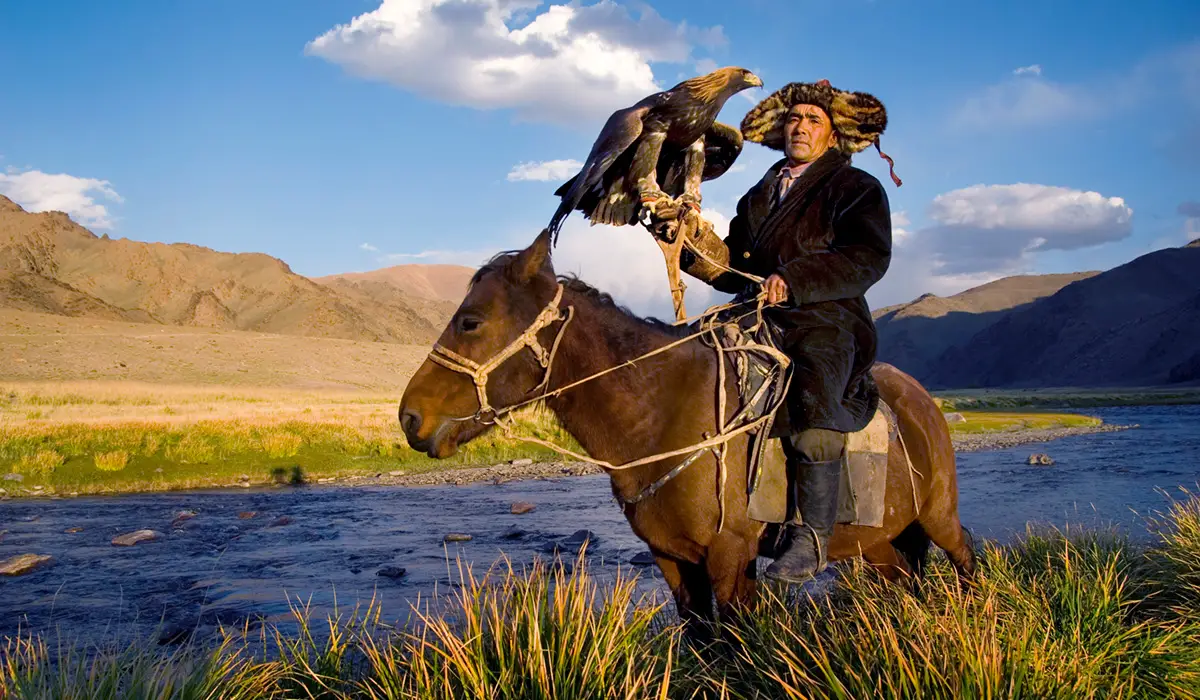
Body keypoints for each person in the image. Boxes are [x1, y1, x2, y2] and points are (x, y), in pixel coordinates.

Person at [683, 79, 898, 583]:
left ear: (833, 134)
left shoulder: (857, 188)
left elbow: (867, 257)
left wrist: (795, 279)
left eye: (813, 120)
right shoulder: (760, 194)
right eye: (794, 118)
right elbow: (733, 265)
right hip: (756, 314)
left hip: (827, 316)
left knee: (814, 394)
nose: (800, 127)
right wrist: (687, 242)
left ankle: (813, 536)